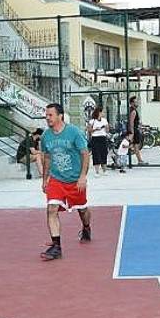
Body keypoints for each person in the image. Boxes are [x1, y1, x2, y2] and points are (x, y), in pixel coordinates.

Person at [40, 103, 92, 261]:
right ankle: (56, 247)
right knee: (51, 209)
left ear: (60, 116)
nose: (47, 118)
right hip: (56, 179)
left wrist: (83, 176)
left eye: (50, 115)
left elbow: (85, 154)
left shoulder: (74, 132)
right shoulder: (46, 136)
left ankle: (86, 227)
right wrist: (45, 178)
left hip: (75, 180)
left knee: (82, 210)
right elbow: (47, 157)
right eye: (46, 115)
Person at [87, 106, 109, 176]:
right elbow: (89, 130)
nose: (103, 113)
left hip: (103, 137)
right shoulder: (92, 121)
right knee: (96, 154)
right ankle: (97, 171)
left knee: (104, 153)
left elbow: (107, 130)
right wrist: (96, 129)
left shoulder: (104, 120)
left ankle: (104, 170)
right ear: (99, 112)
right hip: (95, 138)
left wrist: (106, 127)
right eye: (102, 112)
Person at [127, 96, 147, 165]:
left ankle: (140, 160)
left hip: (135, 129)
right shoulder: (133, 112)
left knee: (133, 145)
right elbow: (131, 122)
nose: (137, 103)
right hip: (134, 130)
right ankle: (140, 161)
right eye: (135, 102)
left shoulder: (132, 110)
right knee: (135, 146)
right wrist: (132, 132)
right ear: (132, 103)